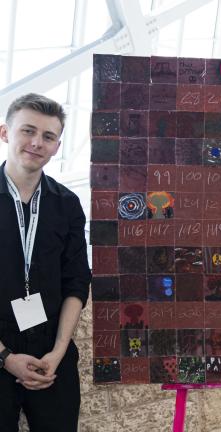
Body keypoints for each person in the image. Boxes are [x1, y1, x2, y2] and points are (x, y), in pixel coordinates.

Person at [0, 93, 91, 431]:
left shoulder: (67, 204)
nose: (37, 143)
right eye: (28, 131)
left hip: (52, 355)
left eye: (48, 137)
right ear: (5, 133)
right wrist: (6, 358)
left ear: (57, 146)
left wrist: (58, 351)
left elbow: (77, 283)